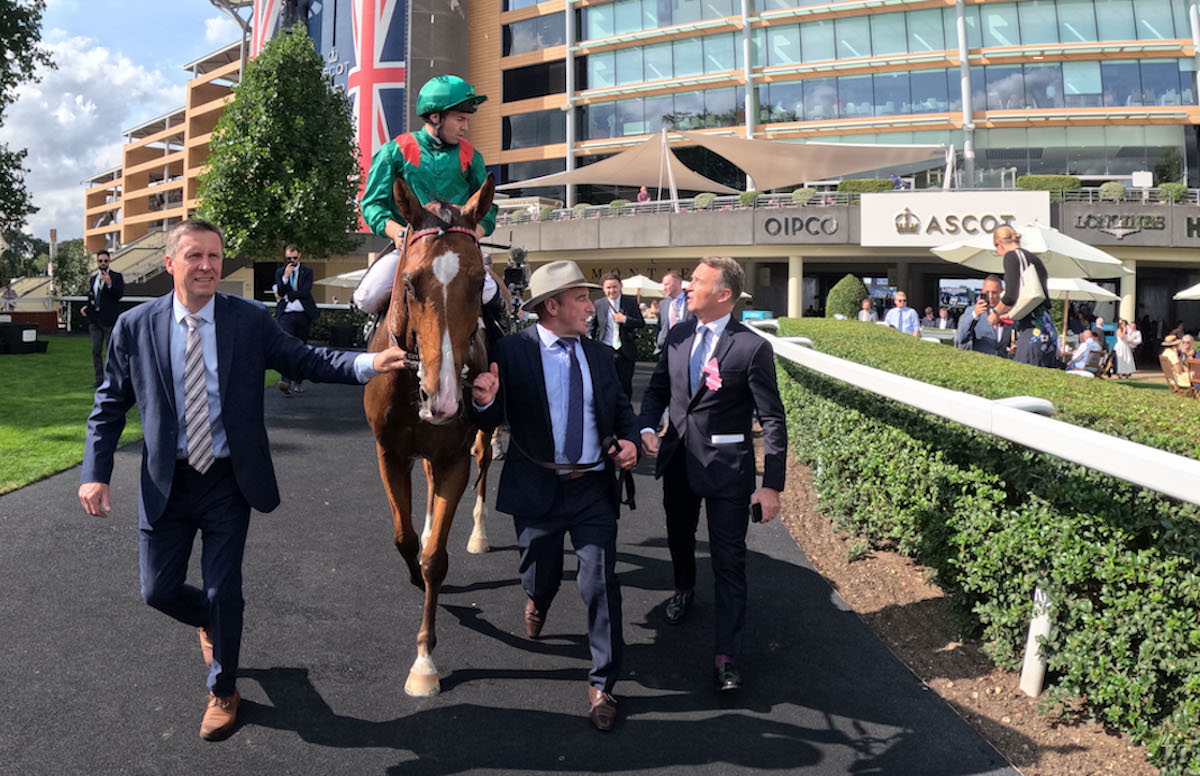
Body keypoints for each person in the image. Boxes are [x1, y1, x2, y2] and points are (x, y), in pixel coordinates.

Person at [77, 220, 410, 742]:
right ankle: (210, 622)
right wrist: (95, 473)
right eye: (194, 256)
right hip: (166, 480)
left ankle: (224, 688)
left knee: (224, 588)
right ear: (171, 264)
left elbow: (306, 359)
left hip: (229, 479)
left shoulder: (247, 320)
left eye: (214, 255)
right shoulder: (135, 326)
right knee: (157, 590)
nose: (207, 265)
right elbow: (108, 404)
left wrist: (370, 362)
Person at [473, 260, 640, 731]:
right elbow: (488, 418)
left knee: (600, 582)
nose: (592, 306)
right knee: (539, 572)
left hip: (592, 488)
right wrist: (484, 400)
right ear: (552, 306)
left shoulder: (601, 356)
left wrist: (628, 442)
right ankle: (538, 598)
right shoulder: (511, 351)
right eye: (582, 299)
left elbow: (622, 413)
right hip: (537, 488)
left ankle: (603, 682)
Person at [638, 256, 788, 693]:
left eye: (697, 281)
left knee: (729, 563)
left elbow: (773, 420)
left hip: (728, 472)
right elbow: (657, 391)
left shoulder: (751, 348)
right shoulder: (679, 334)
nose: (687, 286)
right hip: (678, 464)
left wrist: (772, 485)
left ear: (724, 294)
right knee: (679, 538)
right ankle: (683, 588)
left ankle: (726, 654)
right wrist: (647, 426)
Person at [353, 75, 504, 332]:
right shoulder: (394, 152)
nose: (465, 127)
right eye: (460, 119)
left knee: (492, 296)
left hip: (459, 251)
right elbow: (372, 204)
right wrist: (396, 232)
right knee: (365, 297)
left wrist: (474, 234)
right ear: (435, 117)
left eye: (466, 120)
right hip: (410, 248)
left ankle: (501, 345)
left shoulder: (471, 156)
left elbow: (488, 209)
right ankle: (374, 343)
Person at [988, 225, 1057, 368]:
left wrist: (995, 313)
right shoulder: (1034, 259)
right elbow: (1032, 300)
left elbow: (1011, 296)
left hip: (1033, 330)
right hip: (1046, 329)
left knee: (1024, 380)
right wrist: (1010, 316)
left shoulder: (1012, 256)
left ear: (1000, 244)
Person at [588, 272, 645, 399]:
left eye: (614, 287)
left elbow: (641, 323)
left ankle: (625, 414)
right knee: (606, 383)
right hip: (606, 349)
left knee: (625, 385)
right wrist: (589, 337)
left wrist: (625, 320)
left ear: (620, 286)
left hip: (625, 351)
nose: (611, 290)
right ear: (603, 288)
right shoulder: (599, 304)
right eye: (608, 287)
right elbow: (592, 325)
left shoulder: (630, 302)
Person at [274, 244, 320, 396]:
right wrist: (286, 278)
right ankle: (285, 380)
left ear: (299, 255)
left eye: (294, 258)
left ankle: (298, 381)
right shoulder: (280, 272)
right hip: (286, 314)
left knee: (301, 347)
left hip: (303, 314)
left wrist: (288, 295)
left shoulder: (307, 271)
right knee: (286, 345)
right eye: (289, 258)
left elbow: (305, 292)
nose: (292, 261)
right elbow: (279, 290)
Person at [81, 249, 125, 388]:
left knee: (111, 351)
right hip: (95, 320)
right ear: (97, 262)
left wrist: (110, 283)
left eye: (105, 261)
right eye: (100, 261)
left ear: (109, 261)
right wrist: (87, 308)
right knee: (96, 350)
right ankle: (99, 380)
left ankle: (111, 380)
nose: (103, 263)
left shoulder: (116, 277)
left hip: (109, 320)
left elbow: (118, 295)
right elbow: (93, 296)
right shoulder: (93, 279)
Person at [956, 276, 1014, 357]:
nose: (990, 296)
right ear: (982, 292)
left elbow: (1014, 336)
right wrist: (975, 315)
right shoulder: (972, 311)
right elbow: (961, 338)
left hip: (1003, 363)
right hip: (981, 362)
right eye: (987, 292)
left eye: (994, 292)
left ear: (1001, 292)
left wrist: (1015, 346)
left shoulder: (1009, 312)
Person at [656, 270, 691, 354]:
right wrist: (658, 341)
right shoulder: (663, 304)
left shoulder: (691, 300)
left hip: (686, 347)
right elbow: (660, 326)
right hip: (665, 347)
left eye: (667, 284)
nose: (664, 288)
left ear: (677, 283)